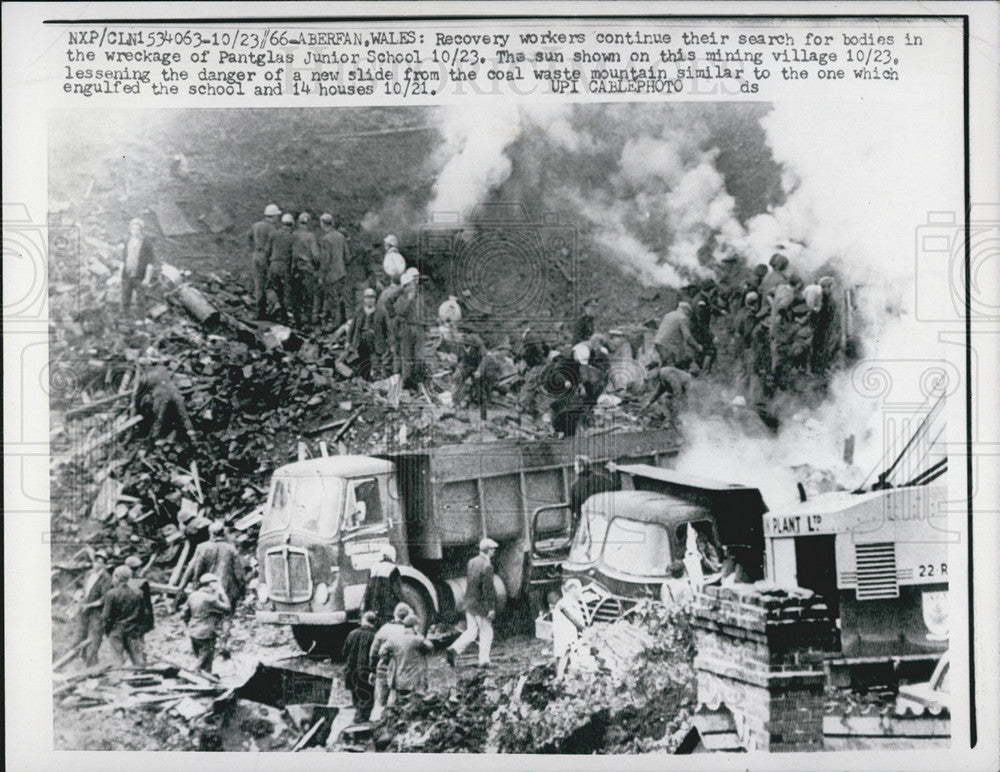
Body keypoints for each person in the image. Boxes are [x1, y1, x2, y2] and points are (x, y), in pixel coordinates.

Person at [445, 538, 498, 668]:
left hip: (469, 602)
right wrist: (490, 608)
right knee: (486, 631)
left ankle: (453, 649)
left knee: (472, 631)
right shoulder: (487, 566)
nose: (494, 552)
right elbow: (488, 589)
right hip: (480, 605)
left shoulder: (472, 562)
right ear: (488, 550)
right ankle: (484, 661)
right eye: (493, 549)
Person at [178, 521, 247, 614]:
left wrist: (182, 587)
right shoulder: (231, 549)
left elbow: (190, 569)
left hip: (203, 590)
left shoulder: (201, 548)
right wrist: (242, 591)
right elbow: (240, 574)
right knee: (224, 619)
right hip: (225, 592)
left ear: (210, 534)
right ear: (224, 533)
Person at [368, 602, 412, 721]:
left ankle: (375, 726)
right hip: (402, 672)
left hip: (383, 670)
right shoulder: (410, 631)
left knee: (379, 703)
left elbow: (373, 652)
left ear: (394, 614)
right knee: (398, 704)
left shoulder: (384, 629)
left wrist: (372, 670)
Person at [133, 366, 197, 446]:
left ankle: (158, 437)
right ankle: (191, 432)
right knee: (183, 413)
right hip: (174, 391)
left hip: (161, 395)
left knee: (159, 416)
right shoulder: (162, 369)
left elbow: (137, 395)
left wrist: (137, 407)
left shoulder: (144, 377)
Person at [181, 573, 231, 674]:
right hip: (206, 634)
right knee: (206, 663)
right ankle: (201, 679)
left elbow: (184, 614)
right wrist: (223, 594)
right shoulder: (211, 599)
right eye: (215, 582)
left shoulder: (192, 596)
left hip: (193, 632)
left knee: (199, 657)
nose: (217, 585)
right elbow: (227, 608)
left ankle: (197, 677)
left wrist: (190, 625)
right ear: (210, 584)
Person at [379, 614, 433, 705]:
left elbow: (381, 652)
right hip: (416, 679)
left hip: (400, 678)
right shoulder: (417, 639)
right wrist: (418, 634)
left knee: (401, 703)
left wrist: (391, 659)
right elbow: (430, 647)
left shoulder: (394, 639)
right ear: (415, 626)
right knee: (415, 705)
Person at [71, 549, 111, 667]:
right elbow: (84, 590)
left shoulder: (107, 579)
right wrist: (80, 595)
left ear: (104, 564)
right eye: (95, 561)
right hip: (84, 610)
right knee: (79, 637)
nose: (97, 564)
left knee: (93, 640)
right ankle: (84, 661)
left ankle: (91, 667)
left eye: (100, 562)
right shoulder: (89, 574)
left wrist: (89, 605)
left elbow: (103, 600)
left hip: (96, 613)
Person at [102, 565, 147, 666]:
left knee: (117, 659)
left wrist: (108, 631)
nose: (113, 580)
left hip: (116, 631)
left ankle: (119, 678)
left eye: (114, 577)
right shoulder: (138, 593)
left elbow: (106, 617)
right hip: (133, 630)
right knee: (137, 659)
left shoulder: (111, 594)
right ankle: (141, 678)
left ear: (118, 577)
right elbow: (143, 615)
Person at [393, 267, 428, 390]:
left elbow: (423, 313)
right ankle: (406, 383)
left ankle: (418, 381)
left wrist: (426, 328)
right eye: (408, 285)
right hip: (406, 329)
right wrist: (410, 299)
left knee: (419, 356)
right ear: (404, 287)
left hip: (419, 328)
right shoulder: (401, 299)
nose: (412, 286)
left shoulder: (419, 297)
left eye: (412, 284)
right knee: (407, 357)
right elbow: (401, 312)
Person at [315, 212, 351, 329]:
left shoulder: (325, 239)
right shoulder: (341, 236)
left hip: (331, 276)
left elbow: (325, 261)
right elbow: (347, 256)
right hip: (342, 273)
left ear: (323, 224)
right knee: (340, 299)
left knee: (333, 300)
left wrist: (321, 276)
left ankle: (335, 324)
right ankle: (341, 322)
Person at [342, 611, 378, 723]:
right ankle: (361, 721)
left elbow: (344, 652)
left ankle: (358, 718)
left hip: (351, 671)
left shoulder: (352, 633)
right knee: (367, 699)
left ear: (364, 620)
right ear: (374, 622)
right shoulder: (375, 636)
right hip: (367, 673)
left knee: (356, 698)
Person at [569, 456, 619, 534]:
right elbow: (616, 489)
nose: (574, 469)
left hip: (588, 525)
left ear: (581, 468)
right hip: (604, 521)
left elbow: (575, 511)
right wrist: (614, 472)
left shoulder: (575, 486)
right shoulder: (601, 479)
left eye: (575, 467)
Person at [119, 218, 156, 318]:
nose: (135, 231)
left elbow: (150, 262)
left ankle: (141, 320)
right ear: (130, 229)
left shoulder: (146, 243)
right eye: (133, 229)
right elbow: (123, 259)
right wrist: (119, 275)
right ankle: (125, 318)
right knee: (125, 298)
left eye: (137, 229)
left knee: (140, 299)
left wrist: (147, 278)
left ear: (141, 230)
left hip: (140, 275)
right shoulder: (127, 241)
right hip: (127, 274)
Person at [250, 204, 281, 319]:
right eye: (276, 216)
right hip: (266, 257)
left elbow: (249, 238)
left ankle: (260, 313)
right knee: (268, 283)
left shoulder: (256, 225)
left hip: (256, 255)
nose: (277, 218)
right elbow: (274, 245)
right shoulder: (272, 229)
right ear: (273, 216)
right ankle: (275, 304)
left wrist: (255, 249)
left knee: (258, 284)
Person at [291, 212, 319, 329]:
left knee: (296, 297)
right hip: (307, 270)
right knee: (308, 297)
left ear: (298, 222)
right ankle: (307, 323)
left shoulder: (293, 235)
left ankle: (297, 322)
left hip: (295, 269)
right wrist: (316, 266)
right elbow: (315, 255)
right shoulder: (311, 236)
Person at [362, 546, 404, 626]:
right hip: (388, 610)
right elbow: (397, 592)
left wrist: (366, 609)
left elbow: (368, 590)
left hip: (373, 608)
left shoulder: (373, 568)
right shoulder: (393, 569)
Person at [653, 301, 701, 370]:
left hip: (658, 341)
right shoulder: (683, 318)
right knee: (669, 368)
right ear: (686, 310)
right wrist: (697, 346)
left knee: (663, 364)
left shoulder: (669, 314)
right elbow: (687, 336)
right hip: (669, 345)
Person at [266, 213, 296, 319]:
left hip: (274, 264)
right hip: (285, 266)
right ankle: (285, 315)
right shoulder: (293, 237)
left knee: (270, 287)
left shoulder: (274, 234)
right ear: (292, 224)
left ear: (282, 223)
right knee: (285, 291)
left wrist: (268, 263)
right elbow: (294, 255)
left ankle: (275, 304)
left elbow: (267, 251)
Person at [350, 287, 380, 380]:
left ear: (375, 299)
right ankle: (365, 377)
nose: (370, 300)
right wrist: (348, 341)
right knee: (363, 357)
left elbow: (386, 326)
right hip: (361, 337)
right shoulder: (359, 310)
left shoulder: (380, 311)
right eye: (367, 297)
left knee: (376, 357)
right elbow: (353, 326)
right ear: (364, 299)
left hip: (375, 337)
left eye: (372, 297)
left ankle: (376, 377)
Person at [124, 555, 155, 638]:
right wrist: (150, 622)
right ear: (138, 568)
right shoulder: (143, 582)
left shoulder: (121, 581)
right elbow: (147, 603)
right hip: (138, 615)